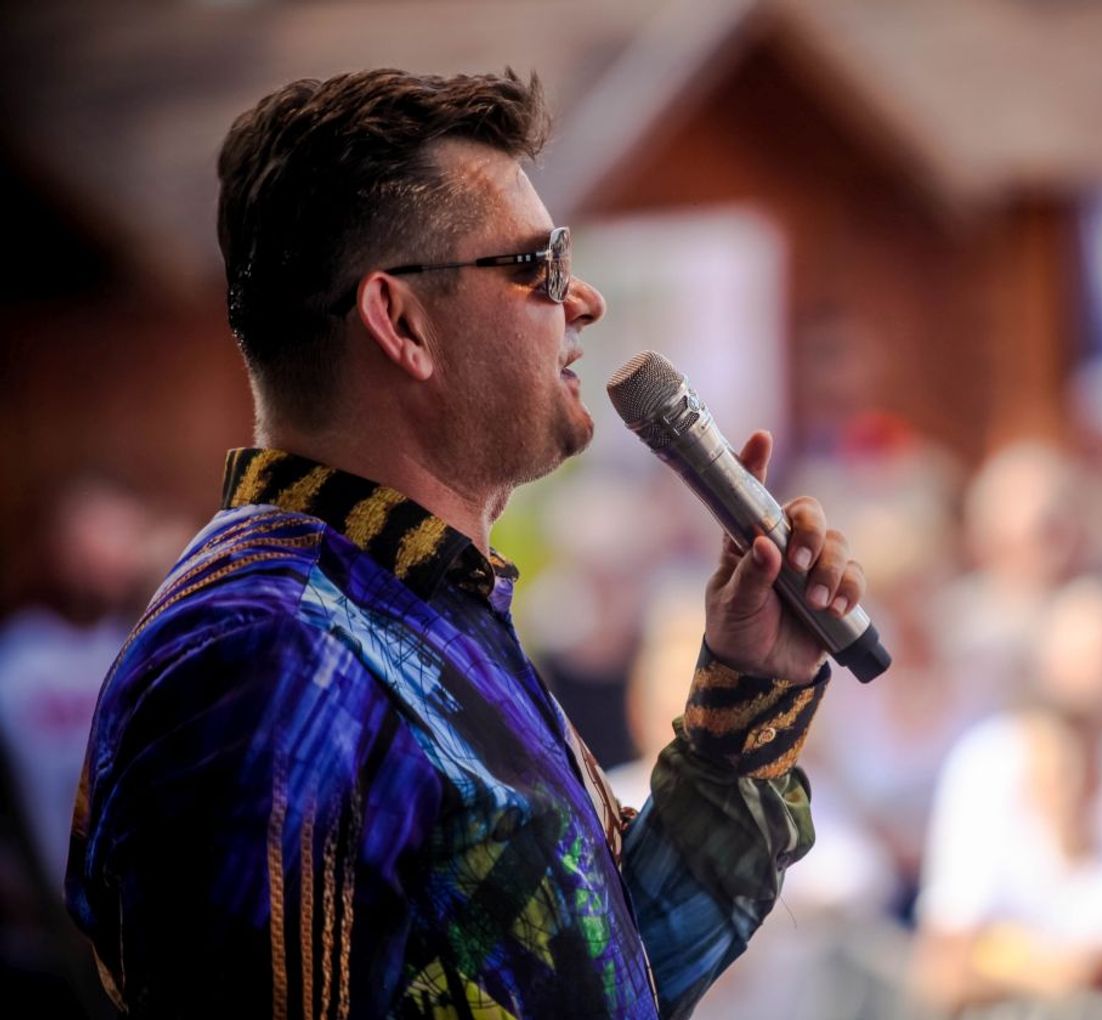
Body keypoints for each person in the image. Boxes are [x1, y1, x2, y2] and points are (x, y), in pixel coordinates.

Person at [65, 68, 867, 1019]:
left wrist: (749, 693)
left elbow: (601, 984)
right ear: (401, 322)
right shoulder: (267, 653)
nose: (583, 300)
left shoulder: (411, 602)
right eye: (541, 266)